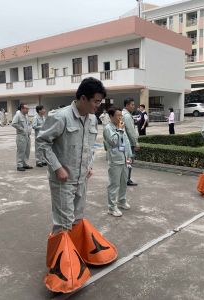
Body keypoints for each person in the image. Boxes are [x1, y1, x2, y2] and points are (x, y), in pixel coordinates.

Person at [37, 77, 117, 293]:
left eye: (100, 102)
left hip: (82, 178)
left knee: (78, 219)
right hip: (63, 180)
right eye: (96, 102)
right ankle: (60, 268)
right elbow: (42, 142)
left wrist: (89, 165)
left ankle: (74, 256)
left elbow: (90, 147)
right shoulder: (60, 117)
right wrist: (57, 167)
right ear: (83, 98)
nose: (99, 106)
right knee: (63, 223)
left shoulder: (91, 120)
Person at [103, 107, 132, 217]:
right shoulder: (108, 128)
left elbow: (126, 141)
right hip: (115, 160)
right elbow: (114, 142)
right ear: (111, 117)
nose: (120, 117)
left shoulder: (120, 126)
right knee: (114, 184)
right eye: (118, 115)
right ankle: (111, 207)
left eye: (121, 115)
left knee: (124, 182)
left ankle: (122, 201)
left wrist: (129, 155)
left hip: (124, 159)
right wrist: (119, 130)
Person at [122, 98, 140, 186]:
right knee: (129, 161)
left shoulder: (123, 114)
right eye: (132, 105)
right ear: (127, 105)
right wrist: (135, 142)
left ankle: (124, 179)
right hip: (129, 143)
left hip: (124, 142)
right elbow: (130, 131)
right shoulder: (127, 116)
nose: (134, 106)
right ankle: (127, 179)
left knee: (125, 161)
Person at [11, 104, 32, 171]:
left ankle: (25, 164)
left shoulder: (26, 116)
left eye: (28, 109)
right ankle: (19, 165)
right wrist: (21, 129)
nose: (28, 110)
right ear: (22, 109)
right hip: (21, 136)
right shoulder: (18, 115)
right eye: (26, 108)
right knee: (21, 151)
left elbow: (28, 124)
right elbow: (13, 123)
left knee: (27, 151)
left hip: (27, 136)